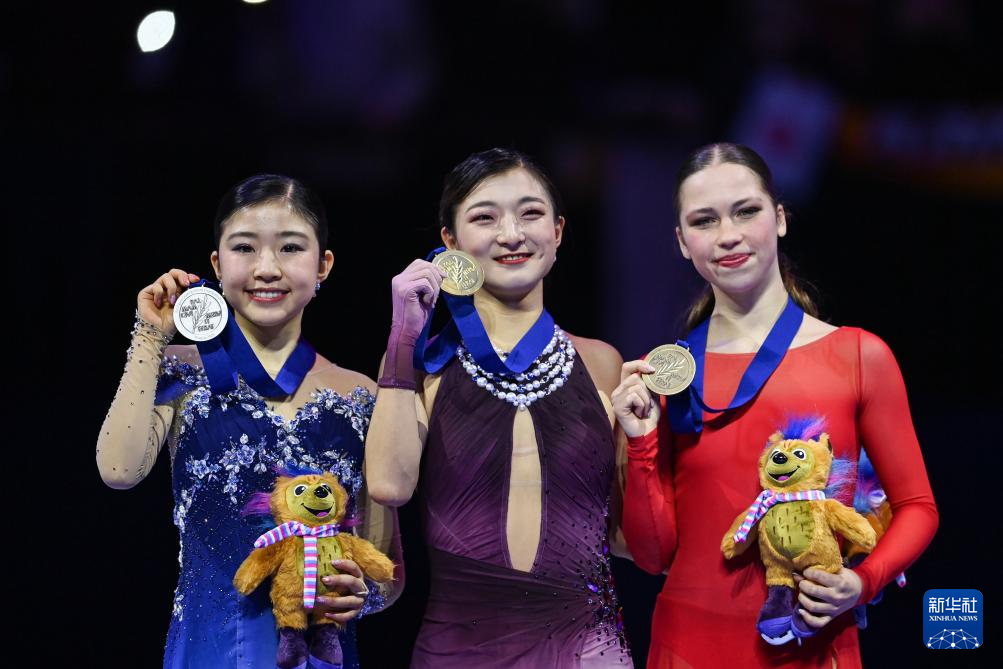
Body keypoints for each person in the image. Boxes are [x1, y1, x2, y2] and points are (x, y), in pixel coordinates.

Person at [612, 143, 938, 668]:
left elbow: (918, 508)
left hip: (816, 646)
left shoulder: (859, 355)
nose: (728, 235)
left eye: (746, 211)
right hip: (688, 647)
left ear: (780, 219)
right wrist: (641, 441)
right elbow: (652, 555)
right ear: (682, 242)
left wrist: (861, 582)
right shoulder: (661, 376)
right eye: (704, 220)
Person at [96, 174, 402, 669]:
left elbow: (388, 566)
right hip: (208, 652)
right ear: (217, 264)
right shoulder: (178, 371)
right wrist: (150, 335)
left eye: (290, 248)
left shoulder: (362, 394)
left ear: (323, 265)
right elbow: (118, 470)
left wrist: (361, 595)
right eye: (244, 247)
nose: (266, 268)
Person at [364, 148, 632, 667]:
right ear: (450, 242)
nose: (511, 234)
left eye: (530, 214)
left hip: (588, 650)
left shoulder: (603, 364)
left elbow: (628, 541)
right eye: (485, 218)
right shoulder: (421, 366)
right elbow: (389, 486)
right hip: (458, 651)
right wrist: (402, 338)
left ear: (558, 230)